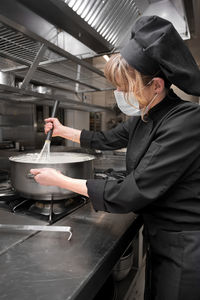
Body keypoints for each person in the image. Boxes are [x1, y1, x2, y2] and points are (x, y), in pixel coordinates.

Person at [30, 15, 200, 300]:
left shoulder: (186, 120)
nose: (119, 93)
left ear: (156, 85)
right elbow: (106, 139)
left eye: (125, 86)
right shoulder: (145, 115)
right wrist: (62, 131)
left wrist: (60, 180)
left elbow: (133, 192)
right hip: (160, 235)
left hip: (185, 243)